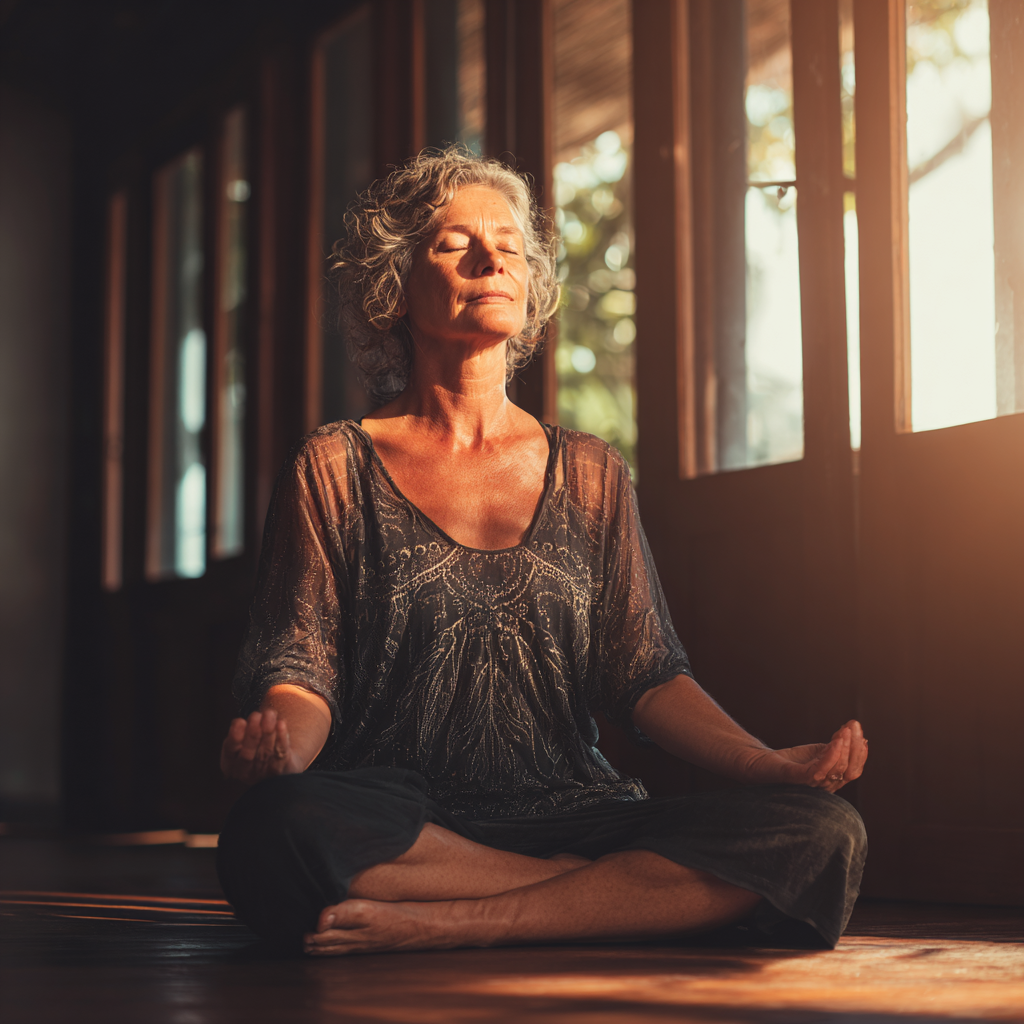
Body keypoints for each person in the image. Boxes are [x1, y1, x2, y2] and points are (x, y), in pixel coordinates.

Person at [216, 147, 868, 957]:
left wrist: (766, 766)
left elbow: (647, 675)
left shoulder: (591, 471)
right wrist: (281, 753)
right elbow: (302, 666)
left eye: (511, 247)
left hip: (578, 810)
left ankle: (456, 922)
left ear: (530, 289)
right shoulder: (335, 465)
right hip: (411, 818)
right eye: (457, 244)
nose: (493, 258)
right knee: (278, 828)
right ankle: (600, 899)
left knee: (822, 833)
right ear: (395, 284)